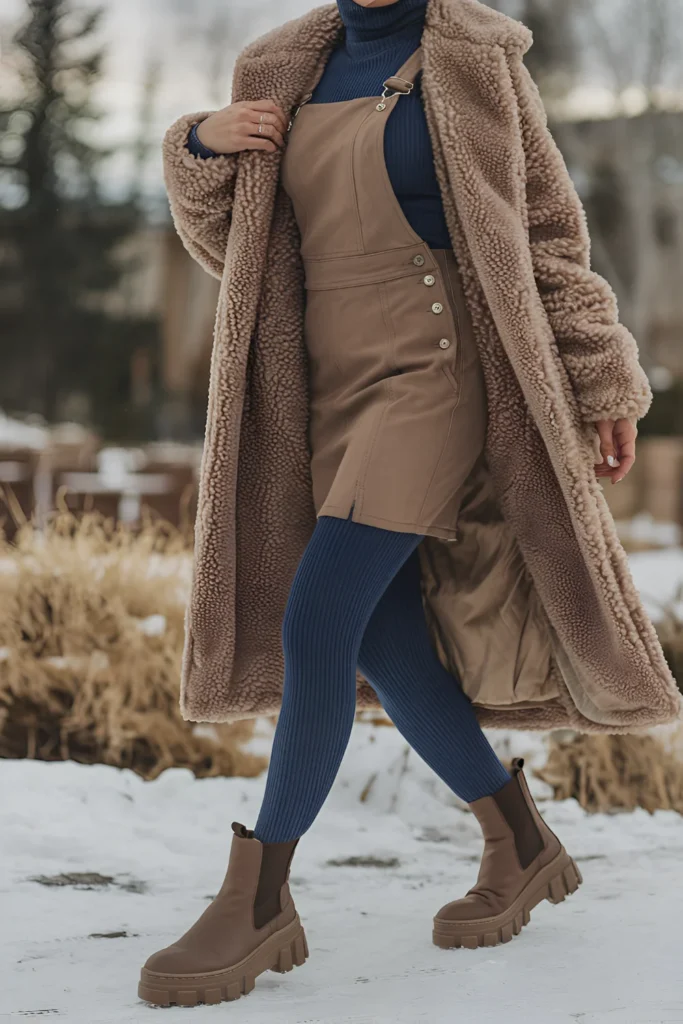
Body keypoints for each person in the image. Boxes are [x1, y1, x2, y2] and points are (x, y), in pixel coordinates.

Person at [139, 0, 682, 1008]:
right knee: (381, 641)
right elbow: (237, 247)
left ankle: (259, 902)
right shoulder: (278, 66)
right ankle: (517, 840)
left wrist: (602, 379)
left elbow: (548, 234)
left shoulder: (475, 59)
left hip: (438, 368)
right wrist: (198, 145)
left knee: (317, 617)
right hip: (322, 384)